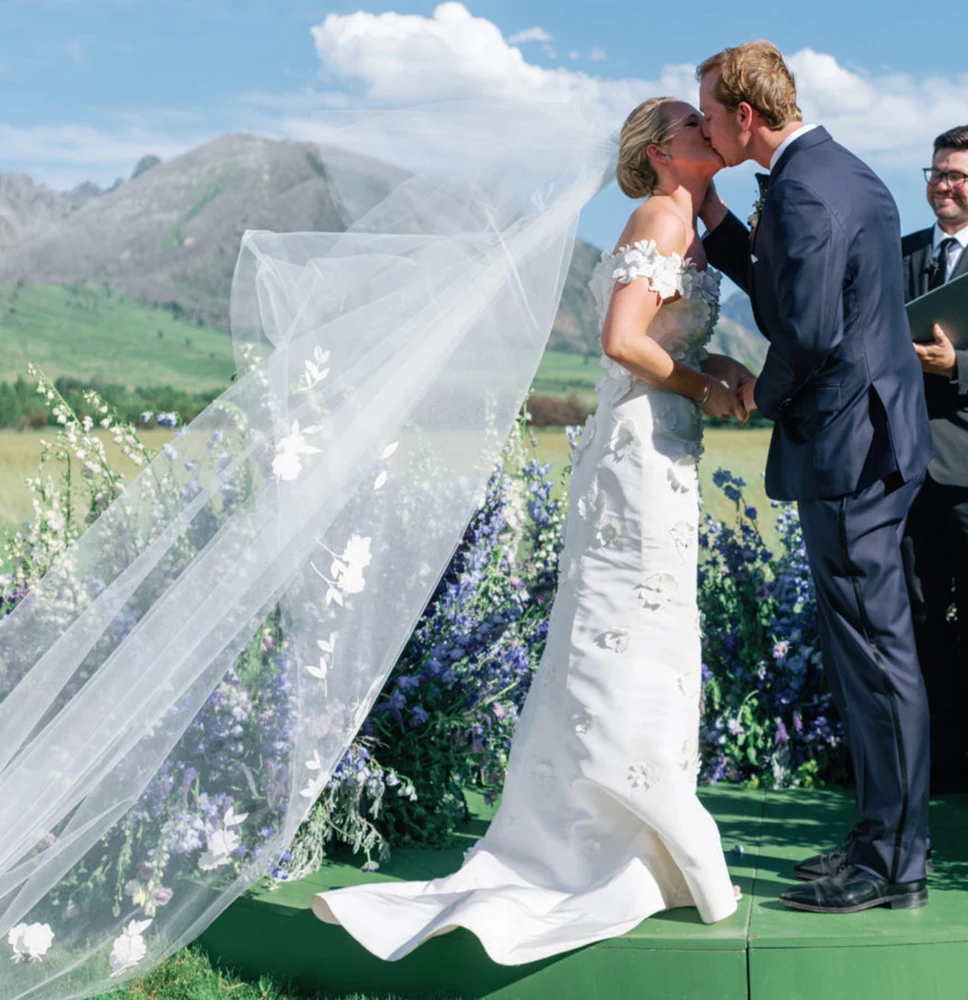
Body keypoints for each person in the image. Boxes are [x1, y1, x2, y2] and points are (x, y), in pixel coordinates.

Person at [310, 97, 756, 963]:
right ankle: (608, 833)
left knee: (645, 636)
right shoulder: (660, 216)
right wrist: (703, 387)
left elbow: (665, 336)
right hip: (635, 453)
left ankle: (637, 832)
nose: (713, 130)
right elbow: (622, 339)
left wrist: (715, 364)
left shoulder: (689, 224)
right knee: (620, 631)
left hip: (662, 450)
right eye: (694, 125)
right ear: (663, 151)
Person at [698, 40, 935, 914]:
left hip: (849, 447)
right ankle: (883, 839)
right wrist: (721, 225)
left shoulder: (803, 188)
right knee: (871, 651)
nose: (711, 128)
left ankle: (894, 863)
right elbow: (790, 282)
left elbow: (806, 330)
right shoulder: (844, 171)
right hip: (877, 439)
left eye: (712, 115)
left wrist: (763, 391)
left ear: (746, 118)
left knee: (877, 657)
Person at [900, 126, 968, 795]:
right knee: (920, 625)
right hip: (908, 476)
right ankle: (942, 767)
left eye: (958, 175)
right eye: (938, 172)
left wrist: (960, 366)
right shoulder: (906, 255)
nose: (944, 185)